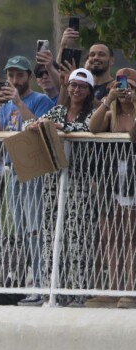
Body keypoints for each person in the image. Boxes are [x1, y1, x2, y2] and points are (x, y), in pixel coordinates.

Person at [26, 68, 96, 306]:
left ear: (89, 91)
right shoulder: (57, 110)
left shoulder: (93, 112)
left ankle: (78, 292)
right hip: (53, 181)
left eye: (82, 86)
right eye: (73, 85)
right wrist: (33, 126)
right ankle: (52, 290)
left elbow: (89, 130)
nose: (76, 90)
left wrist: (62, 129)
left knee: (77, 236)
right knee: (51, 235)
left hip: (80, 180)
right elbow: (37, 123)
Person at [0, 56, 54, 305]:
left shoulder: (40, 100)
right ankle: (30, 282)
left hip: (35, 169)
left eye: (19, 75)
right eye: (11, 75)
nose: (15, 80)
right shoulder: (4, 104)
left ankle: (40, 284)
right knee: (21, 233)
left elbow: (37, 128)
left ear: (28, 76)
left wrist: (18, 102)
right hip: (12, 168)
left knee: (36, 230)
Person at [88, 68, 136, 308]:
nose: (125, 91)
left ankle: (131, 288)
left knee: (130, 237)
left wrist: (134, 106)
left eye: (130, 87)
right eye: (121, 86)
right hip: (111, 181)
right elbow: (93, 128)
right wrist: (108, 101)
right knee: (111, 238)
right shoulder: (110, 114)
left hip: (132, 180)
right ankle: (114, 288)